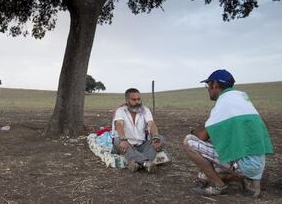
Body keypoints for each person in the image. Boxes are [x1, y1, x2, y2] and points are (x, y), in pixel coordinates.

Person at [183, 69, 274, 197]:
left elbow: (203, 136)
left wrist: (193, 131)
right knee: (202, 176)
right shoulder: (241, 98)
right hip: (256, 163)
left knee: (189, 141)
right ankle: (249, 181)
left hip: (246, 165)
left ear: (215, 84)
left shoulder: (224, 102)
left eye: (208, 85)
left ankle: (218, 186)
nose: (208, 89)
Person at [112, 88, 163, 173]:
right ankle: (146, 163)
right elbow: (119, 124)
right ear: (127, 100)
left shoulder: (145, 110)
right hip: (126, 143)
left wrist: (155, 137)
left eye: (139, 99)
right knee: (118, 141)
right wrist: (123, 140)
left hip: (142, 144)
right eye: (134, 99)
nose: (137, 102)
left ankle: (136, 164)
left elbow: (151, 124)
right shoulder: (121, 111)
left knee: (160, 139)